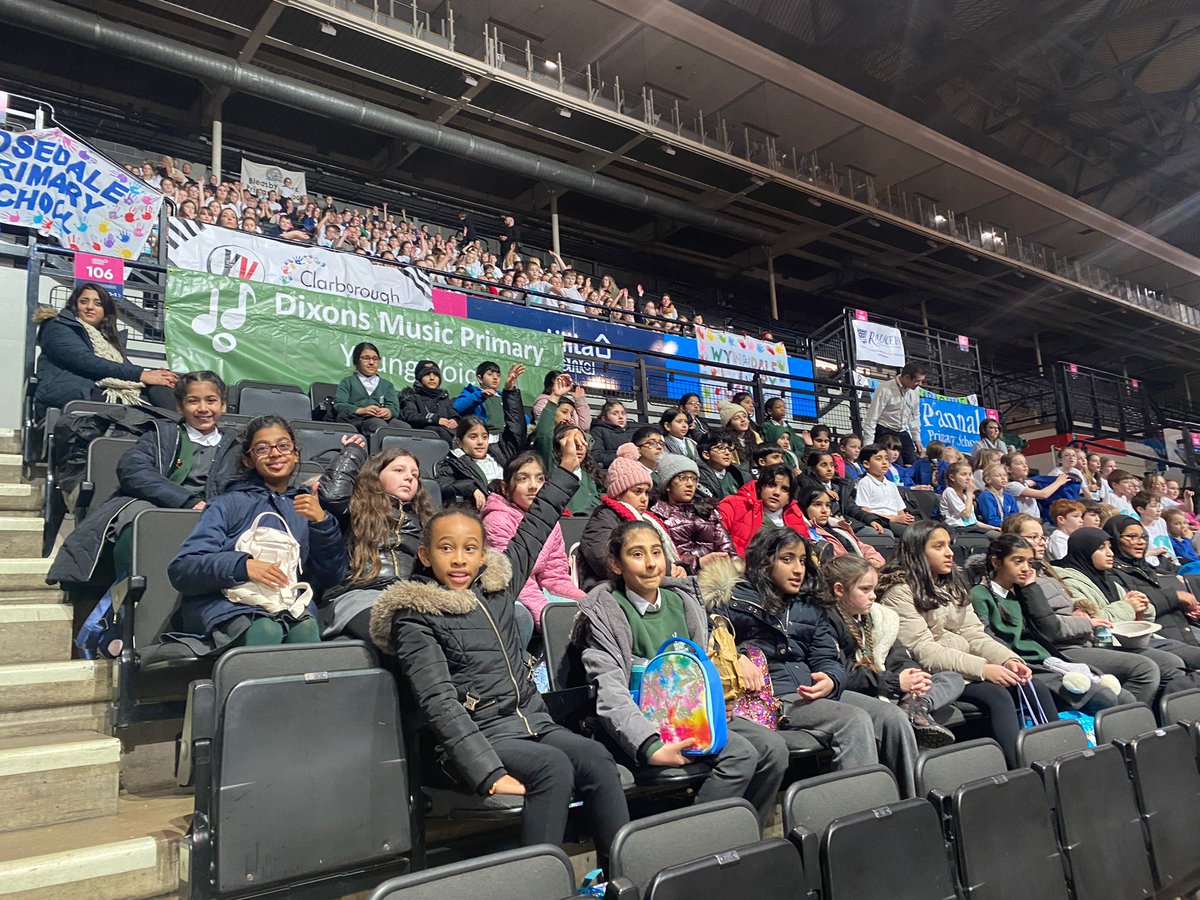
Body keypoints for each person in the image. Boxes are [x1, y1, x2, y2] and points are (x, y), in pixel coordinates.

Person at [369, 435, 630, 866]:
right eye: (446, 548)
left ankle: (619, 876)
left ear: (482, 553)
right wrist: (486, 772)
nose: (459, 559)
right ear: (425, 555)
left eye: (470, 549)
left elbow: (535, 525)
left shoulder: (497, 588)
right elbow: (439, 704)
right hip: (473, 741)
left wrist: (566, 468)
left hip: (532, 723)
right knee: (553, 768)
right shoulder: (415, 614)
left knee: (596, 758)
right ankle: (537, 883)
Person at [576, 522, 787, 827]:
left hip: (697, 717)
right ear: (615, 564)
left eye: (656, 552)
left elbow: (703, 668)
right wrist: (649, 744)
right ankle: (690, 844)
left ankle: (741, 834)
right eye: (637, 554)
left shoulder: (683, 602)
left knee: (774, 750)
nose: (650, 563)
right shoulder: (605, 614)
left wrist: (718, 700)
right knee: (740, 756)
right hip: (646, 724)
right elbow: (610, 694)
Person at [50, 371, 242, 592]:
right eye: (193, 401)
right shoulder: (161, 433)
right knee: (139, 519)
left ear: (223, 405)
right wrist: (187, 501)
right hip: (160, 503)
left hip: (214, 513)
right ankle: (124, 595)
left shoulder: (237, 445)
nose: (203, 408)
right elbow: (133, 470)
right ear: (179, 407)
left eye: (211, 400)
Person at [168, 416, 347, 653]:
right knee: (266, 629)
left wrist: (322, 523)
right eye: (262, 448)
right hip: (227, 606)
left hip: (287, 605)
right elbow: (183, 569)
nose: (275, 453)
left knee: (304, 629)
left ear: (296, 454)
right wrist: (242, 566)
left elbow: (332, 578)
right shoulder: (227, 504)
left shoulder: (309, 508)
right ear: (248, 459)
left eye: (283, 446)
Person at [709, 528, 879, 776]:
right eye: (787, 559)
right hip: (774, 695)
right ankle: (858, 809)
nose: (798, 569)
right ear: (764, 562)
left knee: (891, 717)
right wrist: (737, 658)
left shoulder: (809, 603)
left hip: (810, 691)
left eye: (801, 560)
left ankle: (903, 801)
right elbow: (712, 641)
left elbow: (826, 657)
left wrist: (831, 679)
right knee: (855, 720)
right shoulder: (730, 598)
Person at [878, 521, 1043, 767]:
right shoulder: (899, 592)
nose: (950, 552)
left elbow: (975, 634)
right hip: (934, 673)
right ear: (917, 552)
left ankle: (1051, 761)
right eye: (939, 546)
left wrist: (1009, 660)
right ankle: (1019, 768)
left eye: (949, 545)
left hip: (965, 665)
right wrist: (984, 669)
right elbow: (924, 651)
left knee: (1031, 684)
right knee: (997, 694)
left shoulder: (952, 586)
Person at [1000, 514, 1179, 704]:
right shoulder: (1024, 579)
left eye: (1042, 537)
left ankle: (1157, 719)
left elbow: (1070, 611)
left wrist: (1140, 607)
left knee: (1172, 664)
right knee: (1145, 668)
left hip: (1087, 637)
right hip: (1062, 647)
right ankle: (1128, 723)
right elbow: (1047, 626)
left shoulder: (1047, 572)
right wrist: (1089, 620)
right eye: (1032, 537)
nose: (1041, 542)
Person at [821, 555, 961, 793]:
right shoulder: (828, 620)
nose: (873, 596)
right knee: (902, 723)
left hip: (894, 687)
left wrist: (912, 676)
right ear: (839, 590)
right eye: (865, 589)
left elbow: (898, 656)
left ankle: (916, 707)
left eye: (874, 589)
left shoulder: (878, 617)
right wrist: (897, 683)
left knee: (952, 677)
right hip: (870, 690)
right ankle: (914, 715)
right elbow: (843, 673)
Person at [968, 534, 1127, 715]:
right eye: (1018, 561)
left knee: (1124, 696)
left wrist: (1030, 589)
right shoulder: (980, 595)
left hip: (1048, 659)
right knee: (1104, 698)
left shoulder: (1024, 590)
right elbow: (987, 640)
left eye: (1029, 562)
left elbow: (1050, 630)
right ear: (996, 563)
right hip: (1024, 665)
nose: (1026, 569)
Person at [317, 441, 437, 641]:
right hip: (361, 594)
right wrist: (352, 452)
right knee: (406, 633)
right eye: (399, 470)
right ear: (376, 475)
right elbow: (331, 496)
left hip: (410, 595)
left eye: (415, 475)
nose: (409, 477)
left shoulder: (425, 519)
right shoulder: (357, 507)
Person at [1056, 527, 1200, 671]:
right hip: (1106, 644)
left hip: (1134, 639)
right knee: (1171, 663)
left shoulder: (1105, 578)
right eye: (1101, 548)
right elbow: (1094, 622)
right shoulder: (1067, 581)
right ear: (1084, 551)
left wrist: (1143, 605)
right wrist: (1129, 606)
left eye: (1110, 547)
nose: (1110, 553)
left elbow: (1140, 618)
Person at [482, 452, 585, 640]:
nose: (533, 486)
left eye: (540, 479)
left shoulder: (551, 522)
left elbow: (555, 577)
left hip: (537, 592)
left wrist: (587, 604)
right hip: (507, 594)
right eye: (523, 478)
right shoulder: (496, 520)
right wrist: (550, 620)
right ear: (506, 487)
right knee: (523, 617)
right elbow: (517, 582)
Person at [33, 284, 177, 415]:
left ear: (105, 311)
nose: (90, 307)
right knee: (150, 408)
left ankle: (186, 434)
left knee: (162, 386)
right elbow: (84, 361)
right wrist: (142, 374)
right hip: (74, 392)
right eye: (84, 301)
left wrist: (158, 376)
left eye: (98, 304)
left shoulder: (107, 340)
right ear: (75, 306)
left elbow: (124, 369)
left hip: (101, 390)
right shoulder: (57, 326)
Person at [578, 448, 683, 590]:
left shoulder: (647, 520)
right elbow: (604, 561)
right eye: (637, 491)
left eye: (646, 492)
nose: (644, 498)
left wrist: (680, 568)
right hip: (613, 590)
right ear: (619, 494)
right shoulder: (602, 518)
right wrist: (668, 570)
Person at [434, 365, 527, 507]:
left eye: (484, 437)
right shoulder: (454, 462)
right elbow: (441, 484)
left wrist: (509, 390)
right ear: (459, 442)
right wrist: (471, 488)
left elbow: (516, 426)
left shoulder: (500, 454)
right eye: (473, 437)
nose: (480, 442)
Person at [1103, 516, 1200, 648]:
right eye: (1132, 536)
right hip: (1155, 638)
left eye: (1143, 537)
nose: (1141, 542)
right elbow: (1135, 605)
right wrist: (1175, 596)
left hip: (1183, 630)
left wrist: (1189, 611)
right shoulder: (1110, 572)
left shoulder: (1147, 569)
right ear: (1115, 539)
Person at [650, 453, 735, 574]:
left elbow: (727, 548)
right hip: (685, 578)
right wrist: (698, 562)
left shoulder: (707, 511)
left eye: (693, 479)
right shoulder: (658, 515)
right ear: (668, 485)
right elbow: (665, 558)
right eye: (683, 478)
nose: (690, 484)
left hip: (721, 573)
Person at [718, 464, 814, 557]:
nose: (777, 493)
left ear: (790, 497)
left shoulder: (794, 515)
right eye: (771, 485)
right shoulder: (734, 505)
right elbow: (716, 539)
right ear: (760, 488)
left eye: (784, 489)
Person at [799, 451, 890, 539]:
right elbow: (803, 479)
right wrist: (824, 491)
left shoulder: (841, 486)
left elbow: (852, 509)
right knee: (874, 535)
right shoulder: (808, 488)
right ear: (813, 469)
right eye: (824, 465)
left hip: (847, 522)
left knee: (886, 533)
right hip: (829, 526)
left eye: (832, 465)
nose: (830, 469)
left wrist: (870, 520)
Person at [532, 402, 602, 514]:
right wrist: (554, 397)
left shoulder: (589, 471)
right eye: (573, 442)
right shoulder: (553, 467)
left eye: (582, 442)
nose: (579, 446)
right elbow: (544, 435)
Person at [800, 486, 885, 568]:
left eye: (828, 505)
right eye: (817, 505)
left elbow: (861, 546)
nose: (824, 510)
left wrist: (873, 559)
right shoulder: (808, 534)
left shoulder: (838, 528)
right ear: (804, 507)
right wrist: (863, 568)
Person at [861, 362, 925, 465]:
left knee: (913, 463)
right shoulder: (885, 389)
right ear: (907, 377)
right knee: (896, 464)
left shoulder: (915, 391)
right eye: (918, 381)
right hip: (885, 431)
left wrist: (916, 439)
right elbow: (872, 417)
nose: (920, 384)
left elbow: (914, 416)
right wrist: (868, 444)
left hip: (902, 431)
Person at [332, 342, 400, 436]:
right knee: (379, 426)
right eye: (366, 358)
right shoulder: (348, 382)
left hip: (382, 419)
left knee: (404, 428)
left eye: (375, 359)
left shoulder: (387, 385)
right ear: (356, 360)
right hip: (357, 419)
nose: (371, 362)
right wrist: (361, 410)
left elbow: (394, 408)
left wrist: (389, 411)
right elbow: (339, 405)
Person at [854, 444, 915, 536]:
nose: (884, 462)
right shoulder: (864, 483)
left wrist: (905, 518)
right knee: (914, 535)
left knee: (926, 530)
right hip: (882, 521)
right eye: (879, 459)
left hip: (896, 521)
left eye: (886, 458)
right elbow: (864, 511)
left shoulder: (891, 485)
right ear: (866, 464)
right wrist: (893, 518)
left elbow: (900, 510)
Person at [399, 360, 458, 443]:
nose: (432, 378)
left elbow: (453, 413)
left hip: (447, 433)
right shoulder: (410, 396)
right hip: (423, 437)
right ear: (419, 378)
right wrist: (435, 419)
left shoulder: (443, 397)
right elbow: (410, 416)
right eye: (427, 374)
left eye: (436, 375)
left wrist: (454, 420)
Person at [1004, 452, 1069, 519]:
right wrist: (1059, 482)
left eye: (1025, 463)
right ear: (1009, 469)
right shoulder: (1012, 486)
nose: (1025, 465)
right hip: (1023, 522)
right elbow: (1043, 494)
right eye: (1019, 463)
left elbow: (1037, 481)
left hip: (1034, 519)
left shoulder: (1024, 483)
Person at [452, 361, 505, 435]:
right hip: (485, 435)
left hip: (506, 435)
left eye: (498, 375)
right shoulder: (472, 392)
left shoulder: (504, 396)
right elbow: (457, 407)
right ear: (480, 378)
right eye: (490, 374)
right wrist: (480, 395)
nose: (495, 377)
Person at [1130, 491, 1176, 567]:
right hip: (1153, 565)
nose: (1158, 509)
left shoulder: (1161, 521)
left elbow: (1168, 545)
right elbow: (1138, 555)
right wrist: (1155, 552)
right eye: (1153, 506)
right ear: (1140, 509)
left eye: (1159, 506)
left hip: (1171, 562)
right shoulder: (1137, 528)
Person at [696, 432, 745, 501]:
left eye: (729, 449)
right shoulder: (699, 478)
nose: (727, 453)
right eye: (721, 448)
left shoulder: (738, 474)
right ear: (706, 455)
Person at [939, 460, 986, 531]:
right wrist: (970, 494)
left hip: (971, 527)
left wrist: (993, 528)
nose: (968, 478)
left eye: (970, 475)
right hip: (957, 529)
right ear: (952, 477)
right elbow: (966, 515)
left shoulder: (965, 496)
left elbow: (973, 521)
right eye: (964, 474)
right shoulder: (949, 491)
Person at [590, 400, 634, 468]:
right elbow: (596, 456)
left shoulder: (632, 432)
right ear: (604, 418)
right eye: (614, 414)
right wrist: (620, 457)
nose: (620, 417)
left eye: (623, 413)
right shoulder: (598, 431)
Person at [718, 402, 757, 475]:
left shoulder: (755, 436)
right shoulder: (725, 441)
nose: (743, 420)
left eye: (744, 416)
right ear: (729, 423)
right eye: (736, 418)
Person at [975, 464, 1018, 528]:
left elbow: (1015, 515)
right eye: (998, 476)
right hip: (993, 528)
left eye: (1005, 475)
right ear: (988, 480)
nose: (1003, 478)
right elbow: (991, 519)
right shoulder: (986, 496)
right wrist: (1007, 527)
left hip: (1009, 527)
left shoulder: (1009, 497)